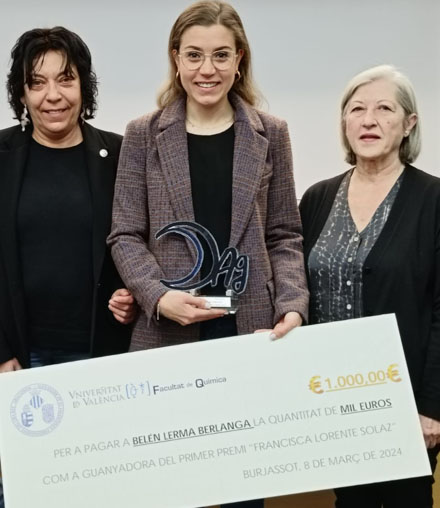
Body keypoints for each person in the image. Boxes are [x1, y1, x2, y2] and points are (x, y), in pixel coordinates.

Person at [107, 2, 308, 506]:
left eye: (221, 55)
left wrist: (293, 305)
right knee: (168, 492)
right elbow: (125, 235)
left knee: (244, 494)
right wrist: (158, 297)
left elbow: (284, 234)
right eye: (194, 55)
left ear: (240, 59)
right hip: (167, 335)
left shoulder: (271, 132)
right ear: (175, 59)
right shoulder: (143, 134)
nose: (207, 69)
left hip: (249, 335)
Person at [0, 27, 134, 507]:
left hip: (99, 355)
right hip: (18, 358)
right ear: (22, 93)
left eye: (66, 80)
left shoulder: (117, 153)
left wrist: (134, 292)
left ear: (84, 87)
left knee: (99, 487)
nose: (53, 95)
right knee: (27, 488)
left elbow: (136, 244)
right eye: (37, 82)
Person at [299, 64, 440, 507]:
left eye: (384, 109)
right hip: (333, 400)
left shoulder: (437, 202)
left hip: (407, 401)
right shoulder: (317, 198)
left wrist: (435, 407)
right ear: (344, 123)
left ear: (408, 124)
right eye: (356, 109)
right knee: (350, 501)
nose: (368, 120)